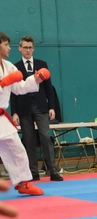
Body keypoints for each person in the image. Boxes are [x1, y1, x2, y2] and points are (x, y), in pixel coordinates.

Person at [10, 36, 63, 182]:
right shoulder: (15, 67)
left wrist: (52, 107)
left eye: (30, 47)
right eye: (25, 47)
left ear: (33, 48)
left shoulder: (42, 64)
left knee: (45, 137)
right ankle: (33, 173)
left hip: (41, 106)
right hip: (23, 107)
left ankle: (53, 171)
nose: (28, 50)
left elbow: (49, 89)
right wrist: (14, 112)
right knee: (28, 140)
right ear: (20, 48)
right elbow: (13, 91)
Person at [0, 31, 46, 196]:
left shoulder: (8, 66)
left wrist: (36, 79)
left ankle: (23, 183)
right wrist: (3, 83)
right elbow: (7, 84)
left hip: (1, 119)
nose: (9, 48)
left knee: (16, 149)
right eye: (5, 44)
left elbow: (19, 88)